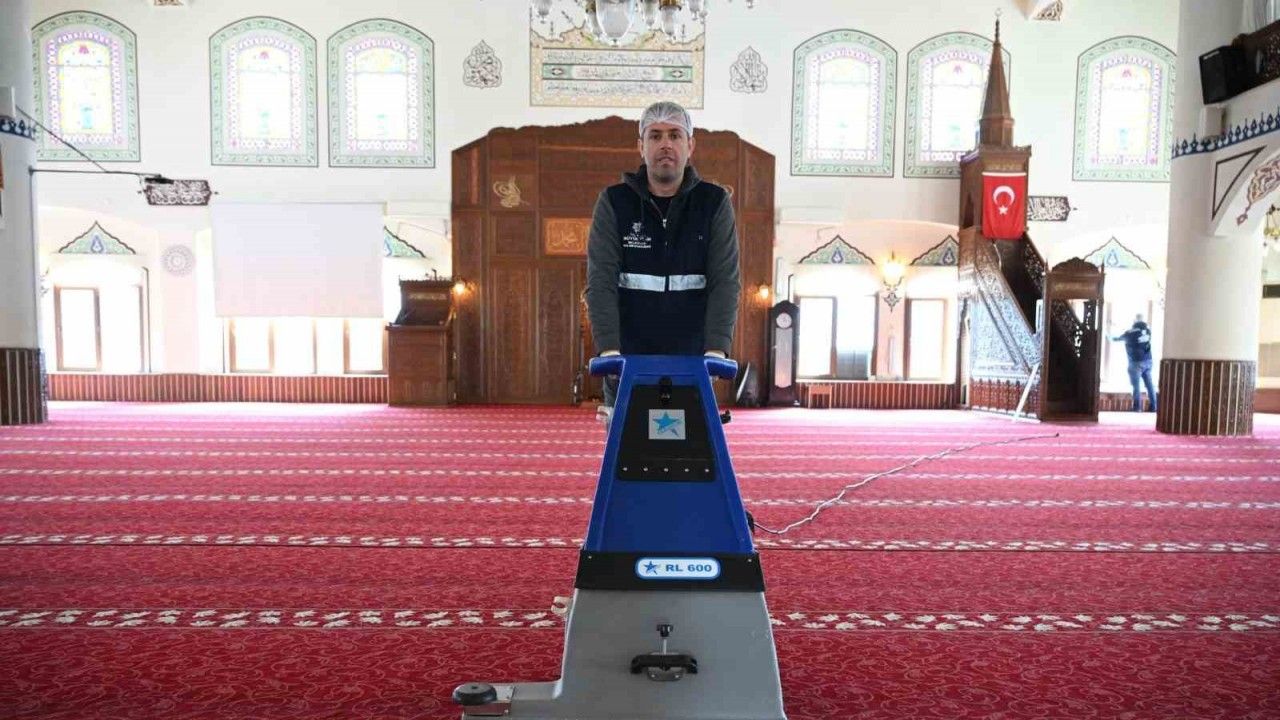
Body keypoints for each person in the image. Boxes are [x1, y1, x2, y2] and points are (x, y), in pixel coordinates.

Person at [585, 101, 741, 407]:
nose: (665, 144)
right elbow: (600, 282)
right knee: (628, 441)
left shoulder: (713, 203)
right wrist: (609, 352)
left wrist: (716, 350)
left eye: (675, 135)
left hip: (693, 366)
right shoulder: (614, 202)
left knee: (691, 441)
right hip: (627, 366)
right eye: (655, 136)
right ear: (641, 147)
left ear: (690, 145)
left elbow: (725, 282)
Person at [1112, 314, 1157, 412]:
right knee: (1150, 385)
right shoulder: (1148, 331)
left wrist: (1107, 335)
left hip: (1136, 362)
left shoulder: (1131, 333)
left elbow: (1116, 339)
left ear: (1135, 321)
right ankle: (1154, 407)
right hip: (1148, 361)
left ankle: (1137, 407)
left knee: (1136, 386)